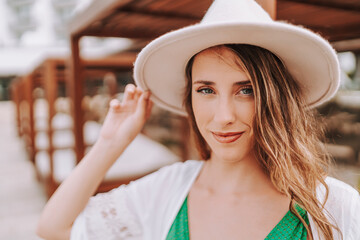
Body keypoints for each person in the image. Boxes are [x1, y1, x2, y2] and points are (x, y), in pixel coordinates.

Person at [37, 0, 360, 239]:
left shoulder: (335, 207)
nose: (223, 117)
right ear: (189, 99)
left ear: (276, 97)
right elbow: (54, 228)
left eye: (245, 90)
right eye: (206, 90)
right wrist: (109, 144)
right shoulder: (165, 191)